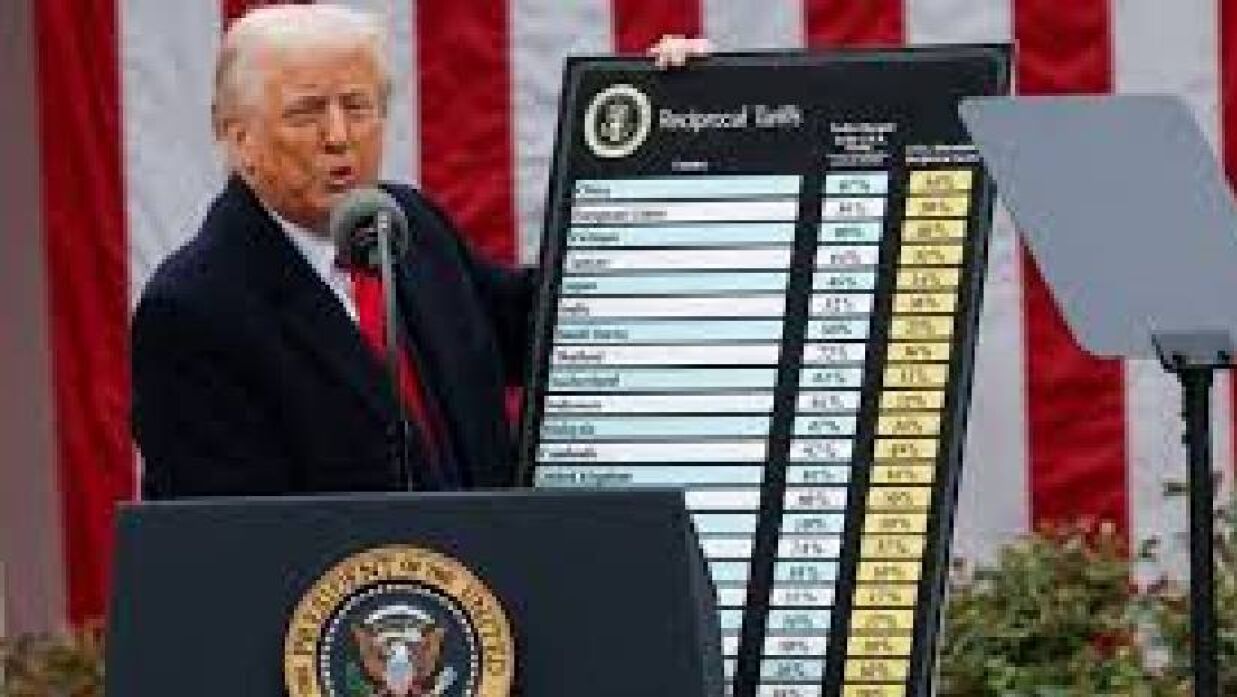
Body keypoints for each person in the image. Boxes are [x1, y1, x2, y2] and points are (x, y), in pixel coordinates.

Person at [131, 4, 707, 499]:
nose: (338, 136)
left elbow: (555, 326)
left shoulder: (409, 226)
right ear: (239, 139)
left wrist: (669, 123)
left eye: (357, 107)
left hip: (498, 581)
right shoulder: (194, 309)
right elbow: (230, 544)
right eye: (306, 112)